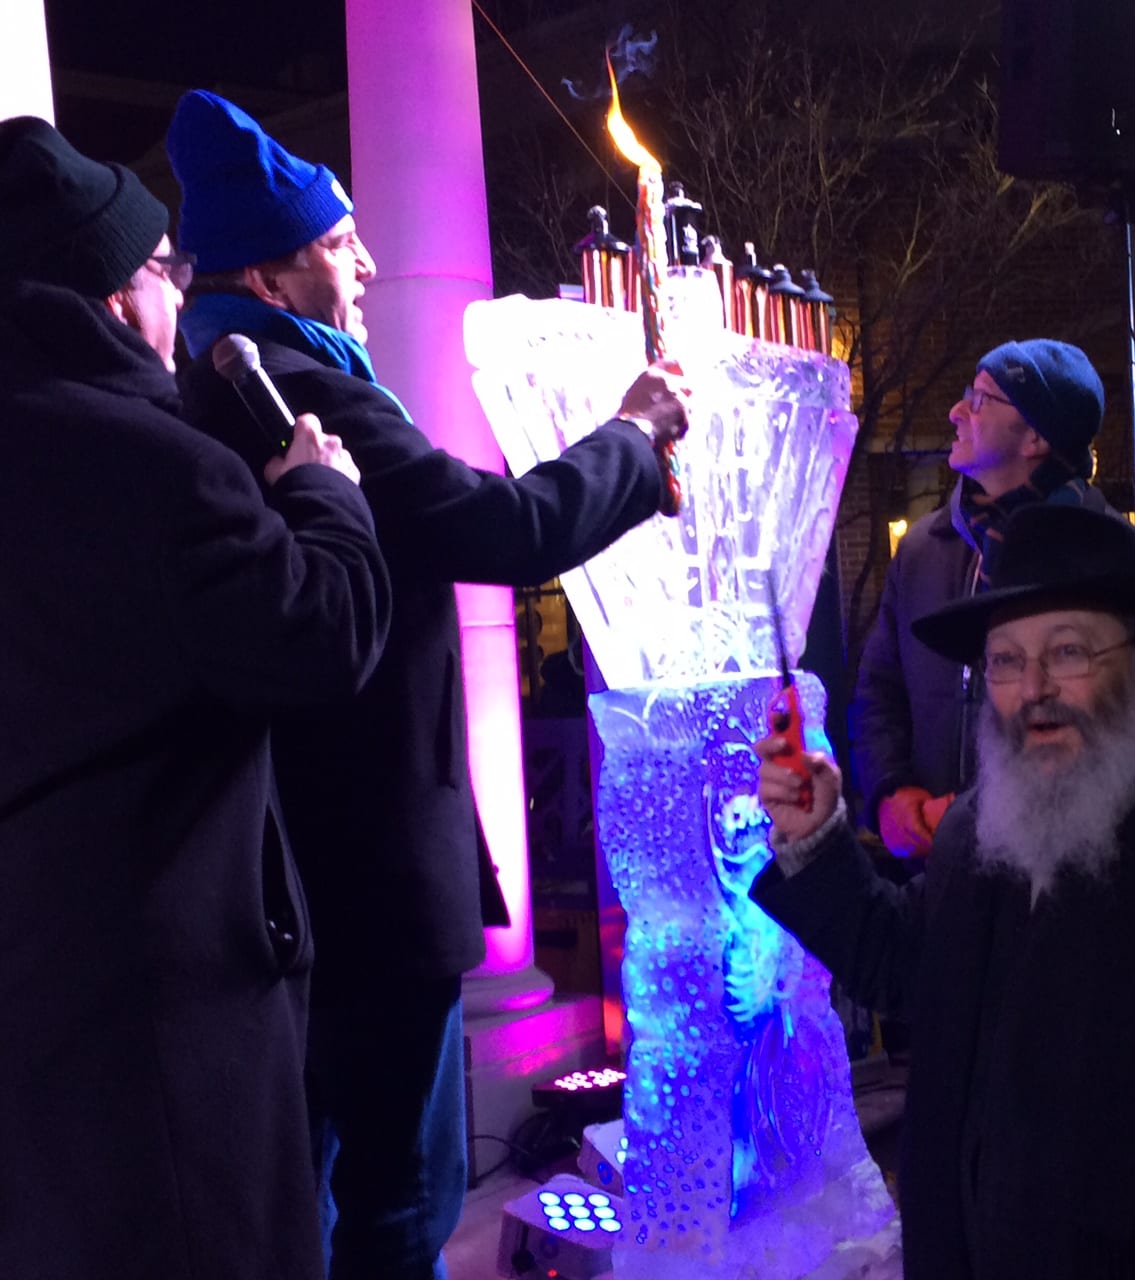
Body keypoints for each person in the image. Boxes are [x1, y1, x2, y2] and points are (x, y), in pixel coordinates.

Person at [164, 89, 691, 1280]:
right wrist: (629, 430)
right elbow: (498, 527)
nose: (368, 262)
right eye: (343, 240)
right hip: (365, 861)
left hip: (292, 864)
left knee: (326, 1182)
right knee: (405, 1193)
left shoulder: (223, 377)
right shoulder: (302, 389)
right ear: (277, 268)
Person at [0, 117, 392, 1280]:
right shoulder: (150, 462)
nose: (179, 294)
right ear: (120, 298)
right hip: (174, 1010)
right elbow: (320, 634)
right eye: (164, 266)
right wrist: (325, 495)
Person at [752, 503, 1135, 1278]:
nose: (1033, 689)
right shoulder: (981, 824)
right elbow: (907, 965)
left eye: (1068, 651)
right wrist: (816, 835)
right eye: (1005, 661)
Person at [852, 339, 1115, 858]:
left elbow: (1116, 727)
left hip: (1057, 867)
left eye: (978, 399)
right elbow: (879, 691)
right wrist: (890, 795)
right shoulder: (923, 550)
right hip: (933, 872)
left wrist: (985, 814)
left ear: (1035, 434)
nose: (955, 412)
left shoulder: (1103, 555)